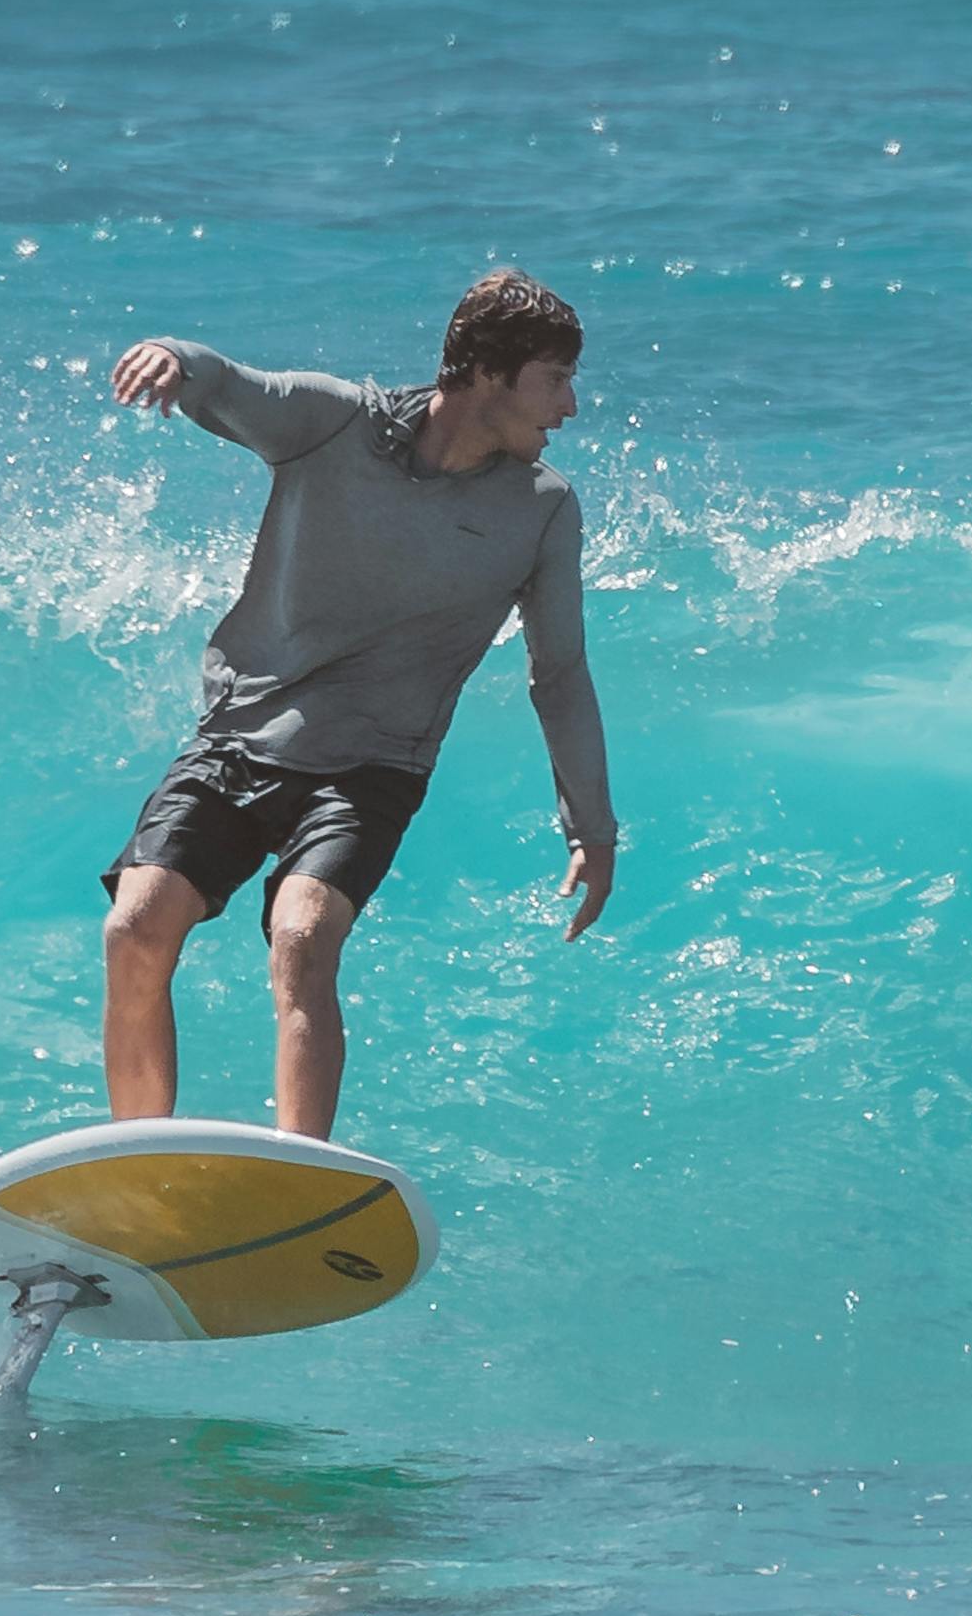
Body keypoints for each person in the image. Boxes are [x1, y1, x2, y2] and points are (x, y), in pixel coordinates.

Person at [99, 266, 617, 1142]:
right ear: (490, 373)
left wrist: (591, 829)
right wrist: (170, 357)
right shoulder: (333, 423)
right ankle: (132, 1163)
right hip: (240, 737)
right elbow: (228, 385)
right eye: (555, 381)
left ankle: (300, 1182)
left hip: (371, 769)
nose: (569, 408)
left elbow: (558, 675)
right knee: (135, 927)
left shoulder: (541, 509)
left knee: (302, 939)